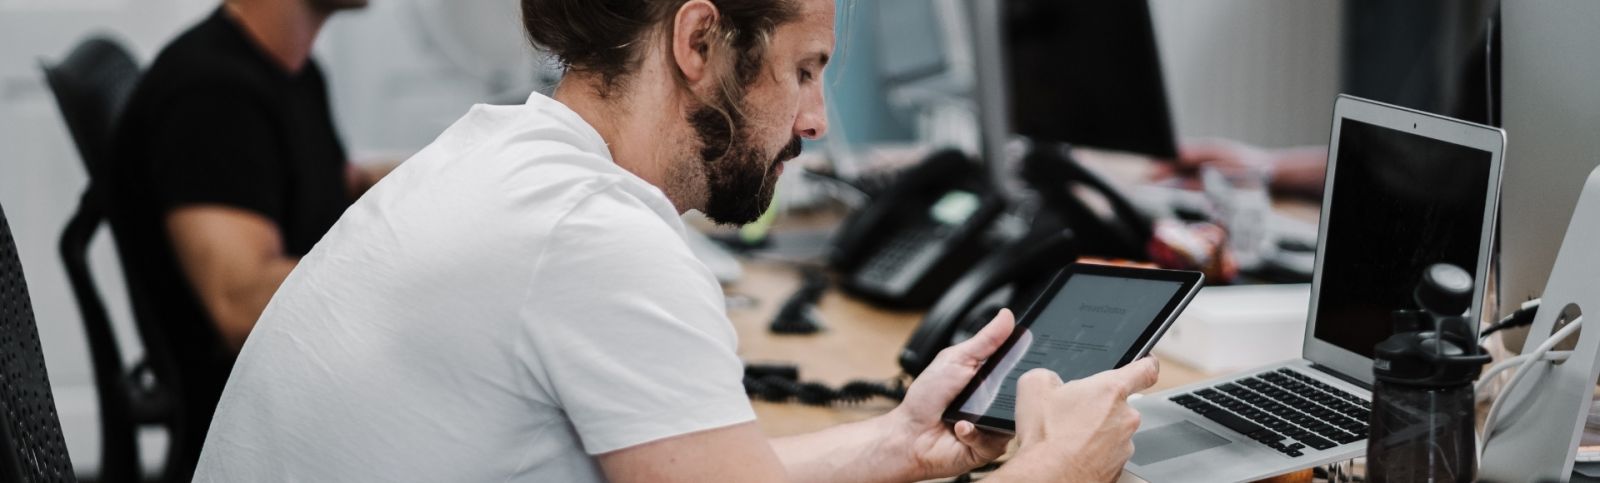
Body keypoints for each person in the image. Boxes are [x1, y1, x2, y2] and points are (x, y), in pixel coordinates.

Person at [193, 1, 1158, 481]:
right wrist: (1047, 474)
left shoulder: (504, 154)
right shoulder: (594, 241)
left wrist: (900, 440)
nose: (817, 120)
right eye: (804, 69)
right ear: (698, 44)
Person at [108, 0, 381, 476]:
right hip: (262, 433)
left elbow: (336, 186)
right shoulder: (211, 96)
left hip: (311, 393)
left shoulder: (294, 71)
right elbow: (240, 302)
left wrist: (463, 179)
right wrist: (415, 265)